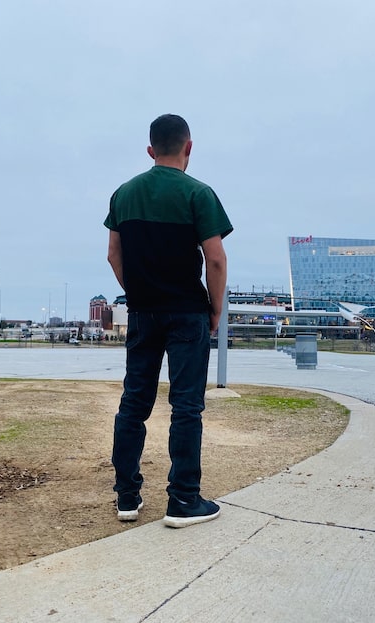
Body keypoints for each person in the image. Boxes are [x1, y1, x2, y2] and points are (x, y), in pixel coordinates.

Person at [104, 114, 233, 528]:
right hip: (187, 314)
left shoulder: (123, 194)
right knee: (186, 406)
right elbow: (214, 258)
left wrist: (138, 293)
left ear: (150, 150)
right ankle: (183, 500)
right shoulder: (199, 193)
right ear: (188, 147)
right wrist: (215, 308)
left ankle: (127, 497)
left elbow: (113, 255)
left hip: (143, 313)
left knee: (134, 404)